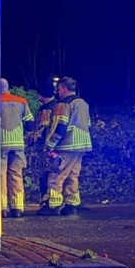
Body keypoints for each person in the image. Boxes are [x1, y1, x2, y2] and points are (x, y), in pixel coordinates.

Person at [40, 76, 93, 216]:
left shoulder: (63, 104)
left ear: (63, 88)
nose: (58, 92)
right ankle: (71, 204)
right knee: (72, 175)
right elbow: (88, 125)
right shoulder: (83, 104)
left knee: (56, 174)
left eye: (59, 89)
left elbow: (60, 125)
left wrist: (50, 145)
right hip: (82, 145)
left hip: (66, 145)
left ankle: (53, 205)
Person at [0, 79, 35, 218]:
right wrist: (25, 134)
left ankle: (2, 208)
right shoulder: (21, 101)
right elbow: (30, 122)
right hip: (18, 143)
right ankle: (17, 208)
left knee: (1, 175)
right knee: (16, 174)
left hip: (1, 143)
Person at [32, 80, 58, 207]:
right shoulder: (56, 105)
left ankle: (46, 201)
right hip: (54, 146)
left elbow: (43, 129)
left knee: (46, 174)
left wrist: (34, 139)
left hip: (46, 148)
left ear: (42, 94)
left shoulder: (47, 109)